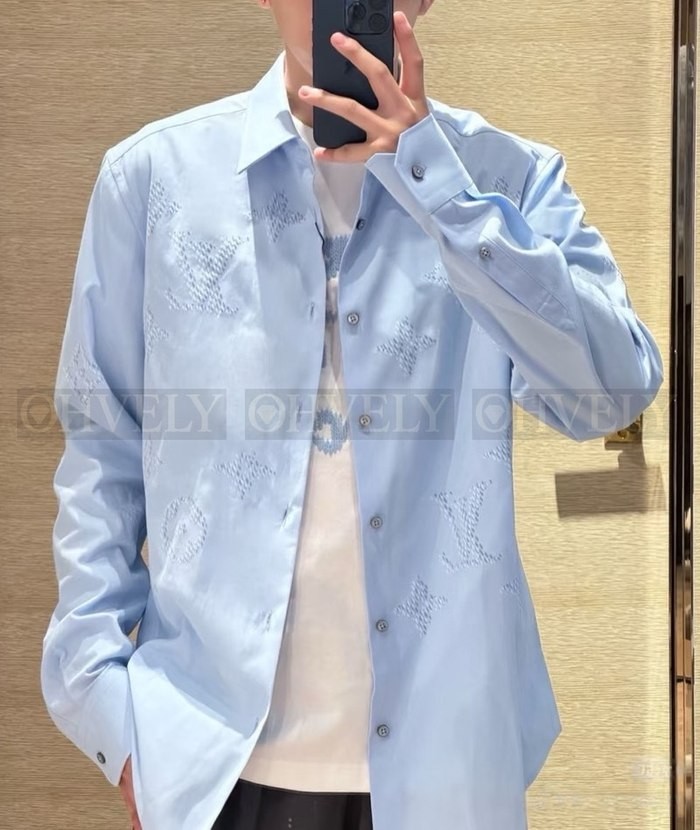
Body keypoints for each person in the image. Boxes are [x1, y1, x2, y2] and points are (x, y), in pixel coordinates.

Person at [40, 0, 663, 828]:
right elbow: (102, 452)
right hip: (212, 762)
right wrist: (107, 709)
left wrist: (437, 184)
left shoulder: (507, 180)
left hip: (450, 770)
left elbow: (611, 390)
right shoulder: (153, 180)